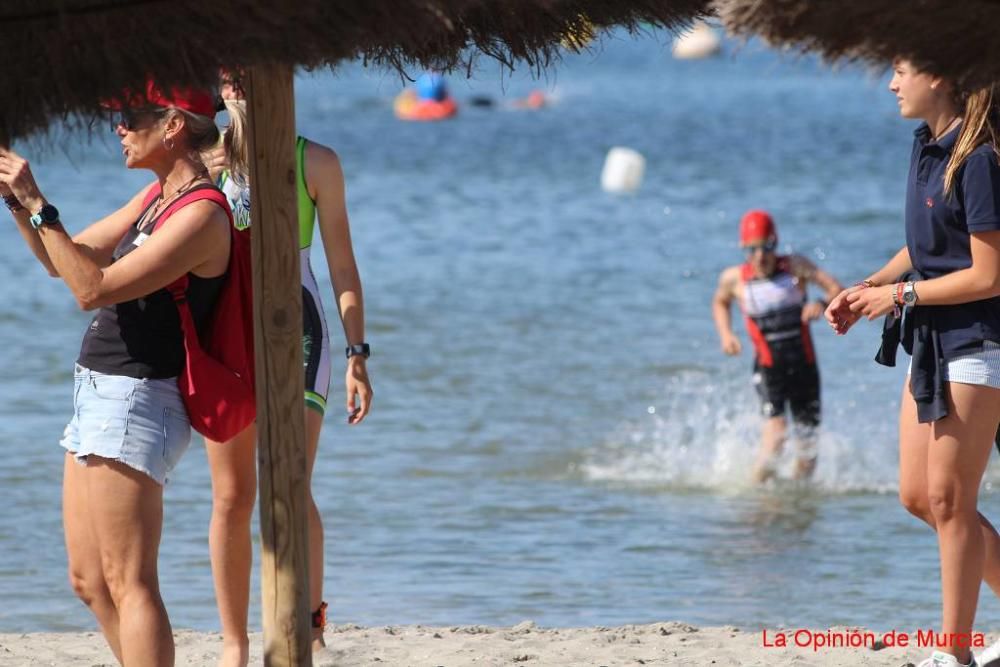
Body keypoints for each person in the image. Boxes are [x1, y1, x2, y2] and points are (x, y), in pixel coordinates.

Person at [0, 83, 229, 666]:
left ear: (173, 124)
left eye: (129, 118)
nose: (118, 129)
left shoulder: (201, 212)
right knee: (89, 582)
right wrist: (19, 203)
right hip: (100, 393)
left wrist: (40, 200)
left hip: (138, 397)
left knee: (130, 581)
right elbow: (67, 260)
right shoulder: (155, 196)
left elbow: (90, 289)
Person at [825, 60, 1000, 667]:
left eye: (900, 71)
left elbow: (987, 273)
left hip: (977, 343)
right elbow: (928, 243)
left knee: (951, 499)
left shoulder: (979, 159)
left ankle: (954, 654)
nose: (892, 84)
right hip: (930, 341)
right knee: (918, 497)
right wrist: (869, 284)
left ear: (942, 77)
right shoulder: (928, 147)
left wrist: (896, 297)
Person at [200, 74, 373, 666]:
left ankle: (312, 629)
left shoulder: (316, 161)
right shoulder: (204, 158)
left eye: (251, 73)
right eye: (227, 76)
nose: (239, 85)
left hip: (300, 330)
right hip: (227, 334)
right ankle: (234, 645)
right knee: (231, 496)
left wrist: (358, 355)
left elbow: (343, 266)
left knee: (291, 485)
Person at [712, 210, 843, 483]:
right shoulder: (735, 279)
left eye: (767, 247)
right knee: (776, 438)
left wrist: (819, 304)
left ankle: (795, 508)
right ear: (743, 249)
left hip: (805, 364)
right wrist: (726, 334)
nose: (761, 256)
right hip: (769, 368)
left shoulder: (796, 267)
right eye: (752, 249)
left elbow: (836, 290)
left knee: (808, 449)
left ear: (776, 243)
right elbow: (720, 302)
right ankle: (755, 496)